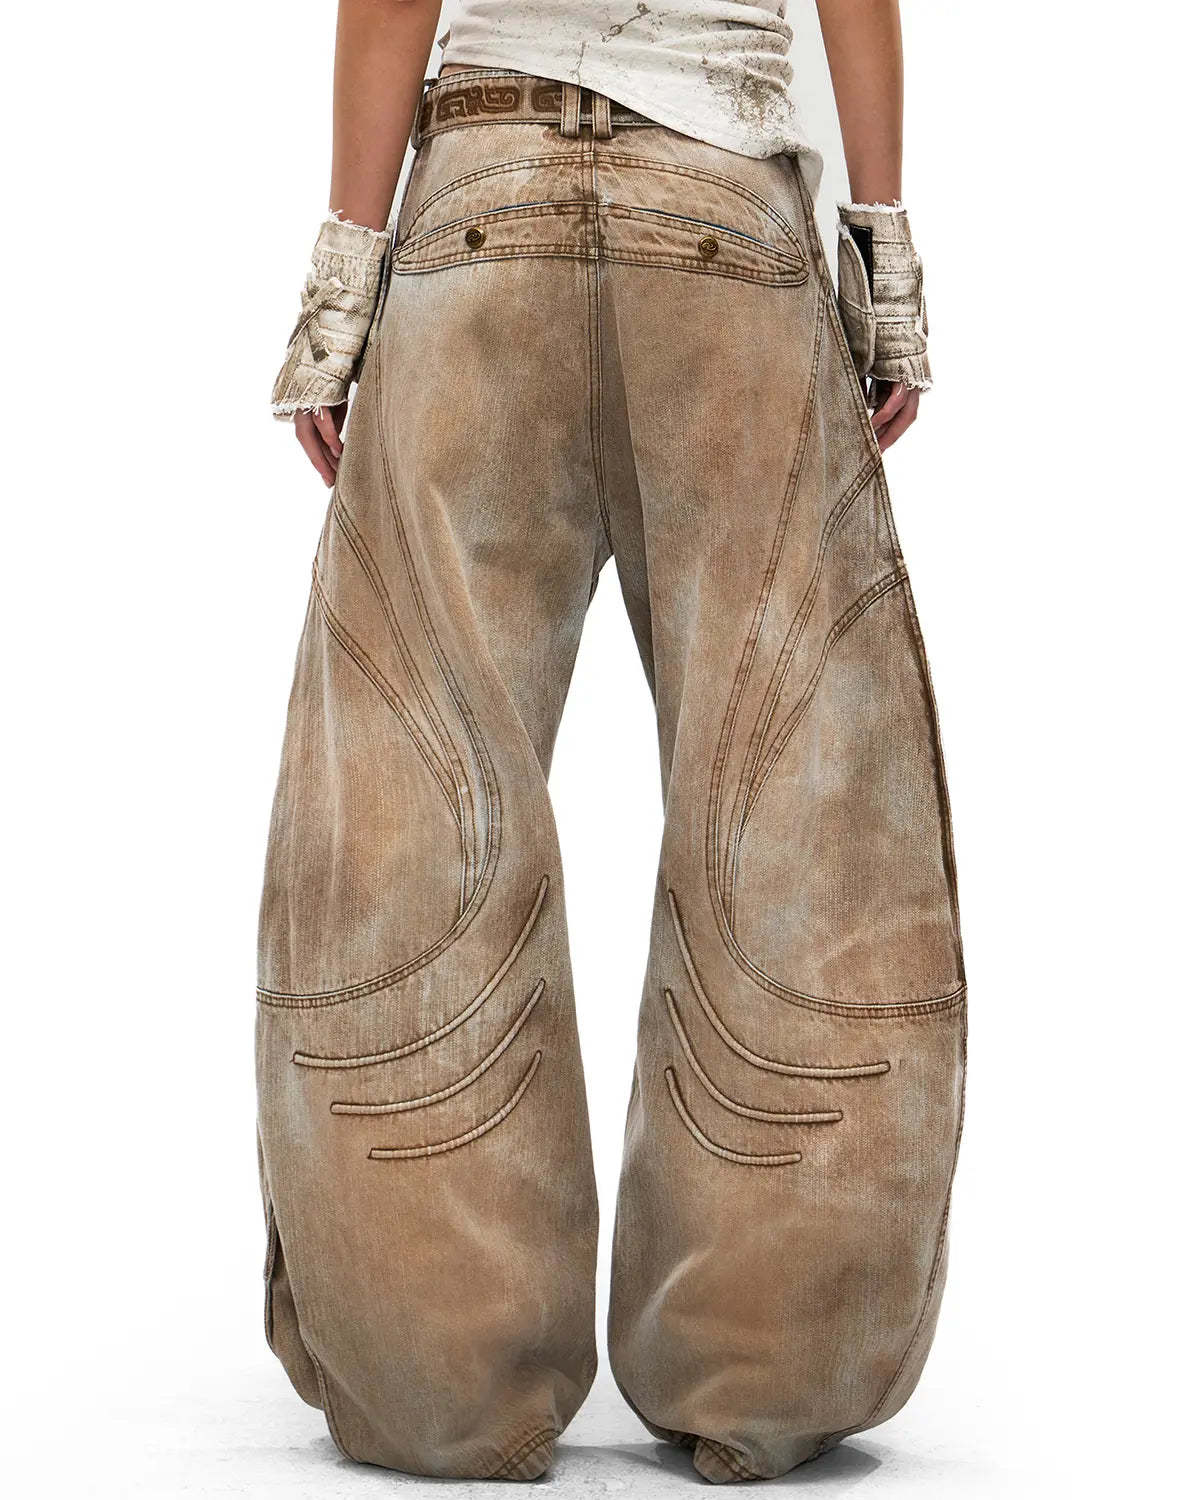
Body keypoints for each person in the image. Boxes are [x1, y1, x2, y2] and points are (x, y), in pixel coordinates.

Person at [257, 0, 965, 1483]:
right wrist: (886, 260)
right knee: (798, 801)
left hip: (477, 213)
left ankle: (434, 1373)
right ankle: (768, 1365)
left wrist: (341, 287)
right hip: (727, 216)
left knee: (413, 789)